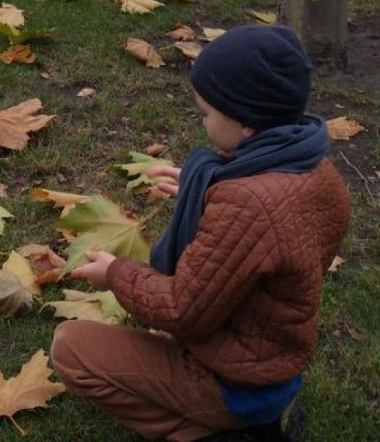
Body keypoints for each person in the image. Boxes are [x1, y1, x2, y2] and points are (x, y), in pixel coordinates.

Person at [50, 24, 350, 442]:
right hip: (273, 361)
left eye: (206, 113)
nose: (202, 123)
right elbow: (269, 233)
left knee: (71, 347)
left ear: (245, 124)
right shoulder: (317, 169)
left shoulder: (246, 206)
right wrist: (204, 189)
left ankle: (213, 432)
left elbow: (181, 310)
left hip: (235, 382)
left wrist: (117, 274)